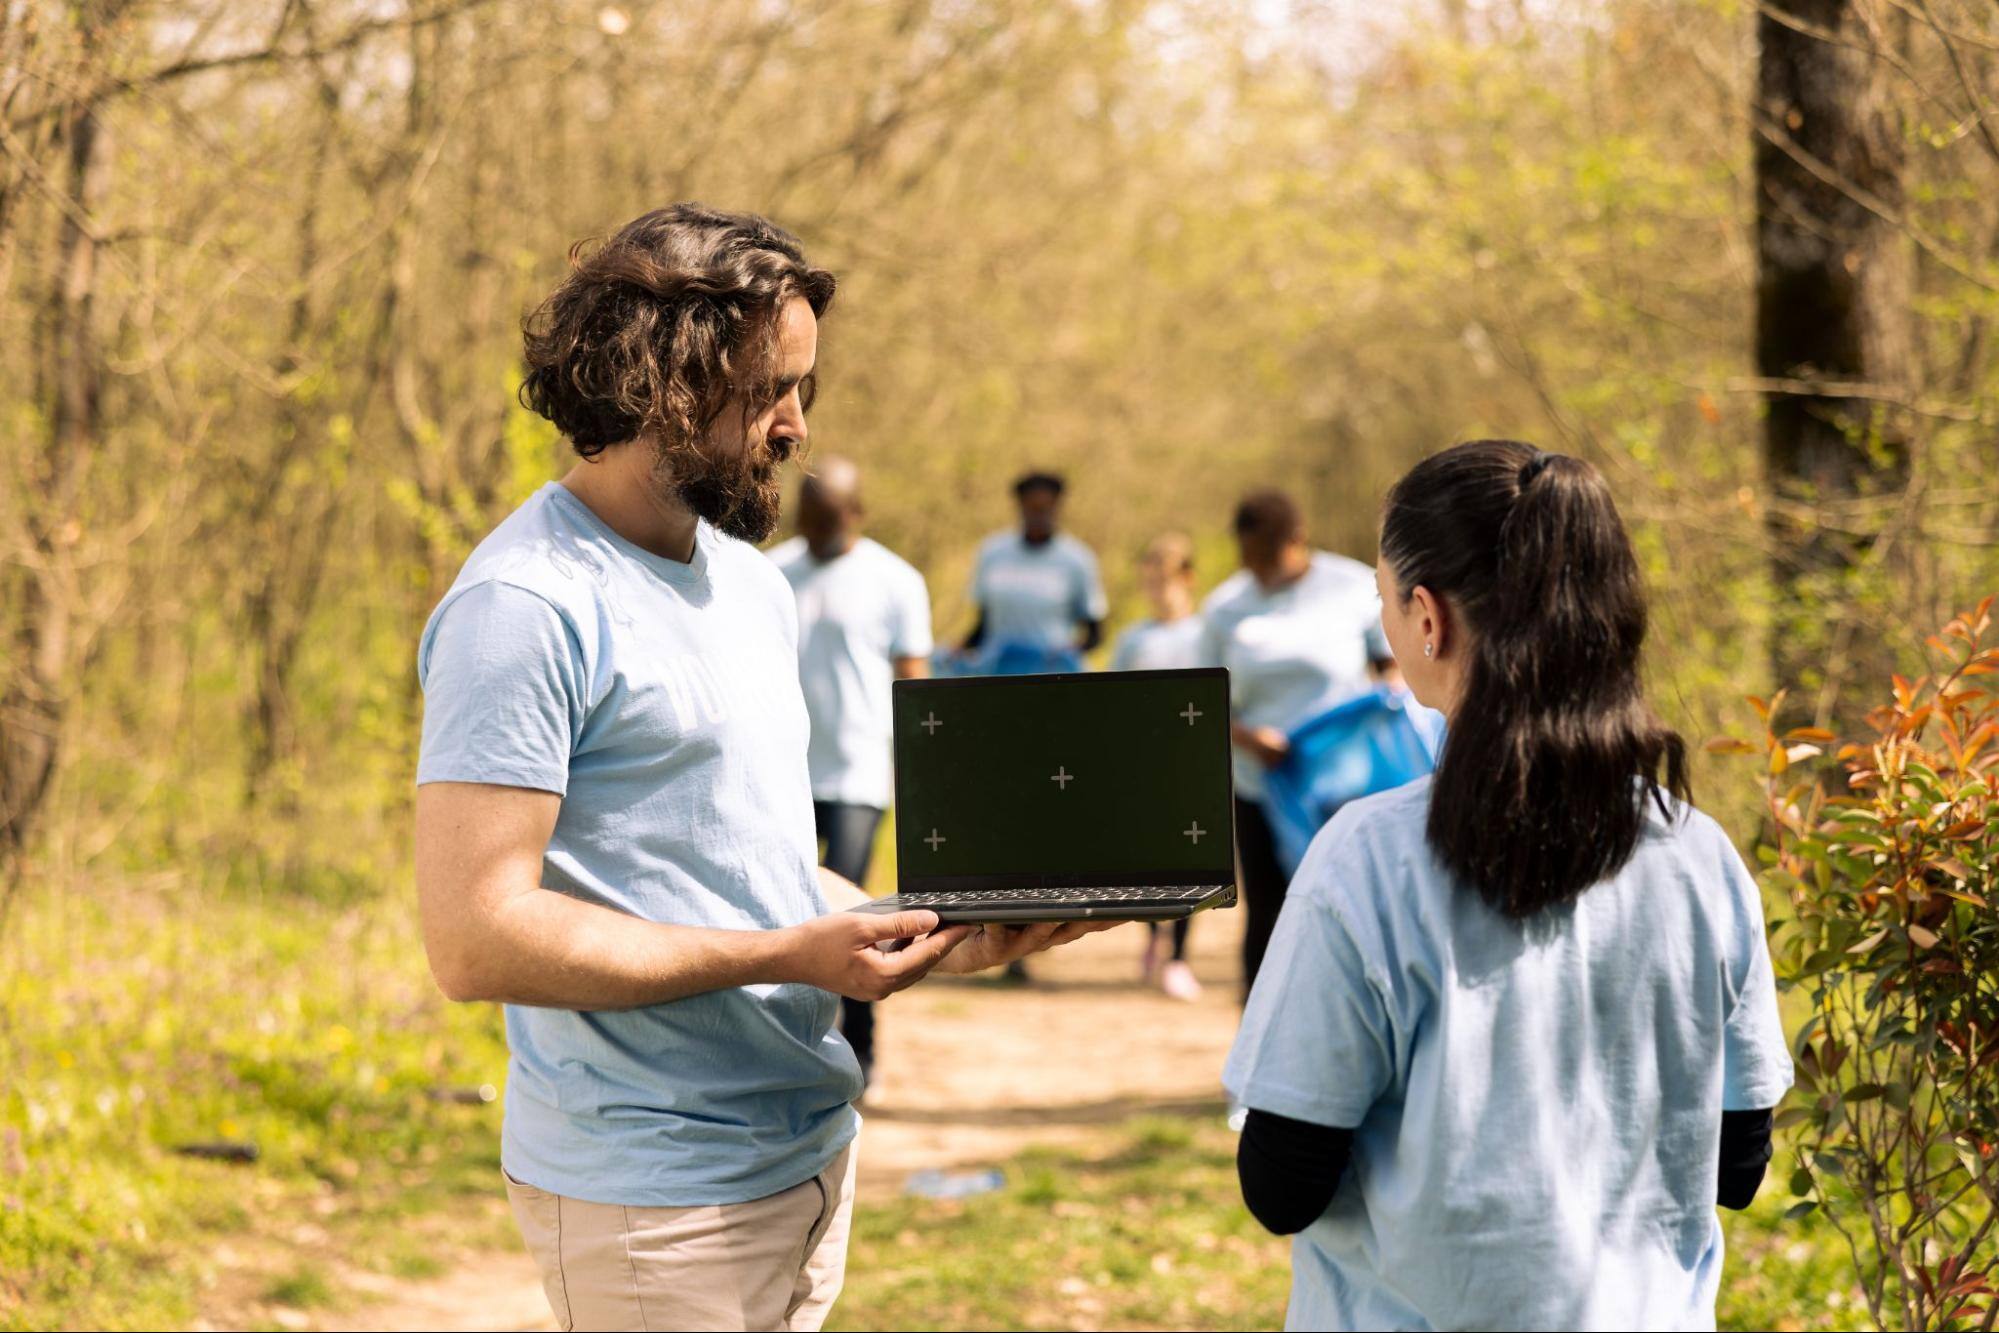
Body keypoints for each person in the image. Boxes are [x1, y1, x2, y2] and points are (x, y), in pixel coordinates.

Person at [412, 205, 1100, 1333]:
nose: (794, 428)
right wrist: (789, 953)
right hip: (654, 1193)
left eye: (804, 392)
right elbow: (475, 935)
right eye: (771, 390)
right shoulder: (523, 608)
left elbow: (754, 870)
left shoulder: (750, 582)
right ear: (665, 382)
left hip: (809, 1150)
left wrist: (926, 925)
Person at [1225, 440, 1792, 1331]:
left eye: (1384, 600)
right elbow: (1734, 1166)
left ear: (1426, 617)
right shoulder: (1700, 856)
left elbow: (1281, 1184)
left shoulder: (1365, 859)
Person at [769, 456, 932, 1091]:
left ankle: (861, 1050)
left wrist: (924, 771)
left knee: (853, 914)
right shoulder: (771, 574)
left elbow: (914, 682)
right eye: (805, 519)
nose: (814, 531)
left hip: (861, 772)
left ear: (855, 514)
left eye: (827, 519)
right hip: (782, 775)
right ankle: (790, 1047)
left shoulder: (895, 580)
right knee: (781, 914)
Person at [1198, 489, 1392, 1001]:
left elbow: (1391, 670)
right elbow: (1199, 701)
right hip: (1262, 783)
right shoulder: (1223, 608)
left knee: (1349, 902)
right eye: (1249, 559)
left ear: (1298, 540)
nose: (1258, 571)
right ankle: (1259, 1031)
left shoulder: (1353, 587)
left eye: (1268, 557)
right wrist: (1246, 737)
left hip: (1345, 784)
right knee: (1268, 906)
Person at [1109, 532, 1206, 1001]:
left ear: (1187, 579)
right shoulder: (1133, 640)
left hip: (1194, 764)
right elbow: (1113, 700)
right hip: (1142, 766)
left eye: (1164, 581)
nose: (1156, 590)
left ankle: (1180, 958)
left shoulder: (1208, 634)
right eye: (1149, 581)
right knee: (1147, 862)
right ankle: (1152, 937)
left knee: (1192, 862)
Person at [961, 471, 1108, 671]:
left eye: (1045, 508)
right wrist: (961, 650)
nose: (1039, 515)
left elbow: (1094, 632)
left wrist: (1065, 656)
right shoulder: (993, 553)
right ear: (1020, 507)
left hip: (1052, 675)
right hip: (998, 672)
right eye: (1033, 508)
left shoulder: (1076, 559)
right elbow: (984, 624)